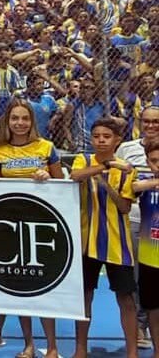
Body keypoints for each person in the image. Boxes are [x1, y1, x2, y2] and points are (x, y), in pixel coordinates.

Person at [0, 99, 64, 358]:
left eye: (25, 118)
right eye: (14, 118)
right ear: (7, 122)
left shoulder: (46, 147)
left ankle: (52, 346)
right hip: (12, 229)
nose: (20, 123)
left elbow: (62, 182)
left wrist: (48, 177)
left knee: (45, 287)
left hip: (43, 227)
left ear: (32, 121)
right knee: (22, 287)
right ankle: (29, 344)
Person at [69, 118, 139, 358]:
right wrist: (105, 167)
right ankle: (80, 348)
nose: (100, 140)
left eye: (106, 136)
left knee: (126, 298)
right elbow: (76, 175)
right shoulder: (84, 160)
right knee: (84, 296)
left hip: (117, 242)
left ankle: (132, 352)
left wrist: (108, 186)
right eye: (96, 135)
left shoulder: (128, 169)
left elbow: (124, 208)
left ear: (117, 140)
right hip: (86, 241)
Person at [131, 141, 159, 358]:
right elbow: (133, 188)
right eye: (154, 161)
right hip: (150, 254)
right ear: (148, 162)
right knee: (152, 307)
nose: (158, 165)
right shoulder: (144, 181)